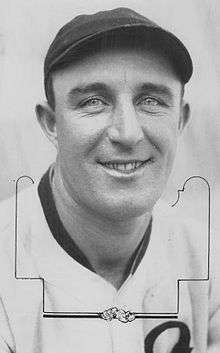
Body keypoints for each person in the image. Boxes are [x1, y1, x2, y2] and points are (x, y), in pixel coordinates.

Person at [0, 7, 219, 353]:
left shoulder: (208, 259)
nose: (128, 133)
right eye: (93, 101)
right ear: (51, 123)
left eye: (151, 100)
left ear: (180, 119)